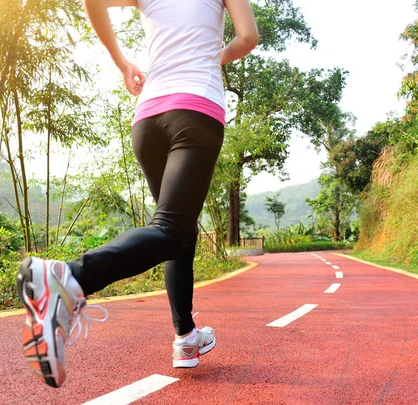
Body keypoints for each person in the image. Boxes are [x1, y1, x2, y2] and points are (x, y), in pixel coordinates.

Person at [17, 0, 258, 388]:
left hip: (147, 119)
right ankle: (69, 278)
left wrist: (122, 63)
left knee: (178, 231)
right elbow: (247, 37)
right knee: (172, 230)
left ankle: (185, 337)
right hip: (195, 108)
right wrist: (217, 56)